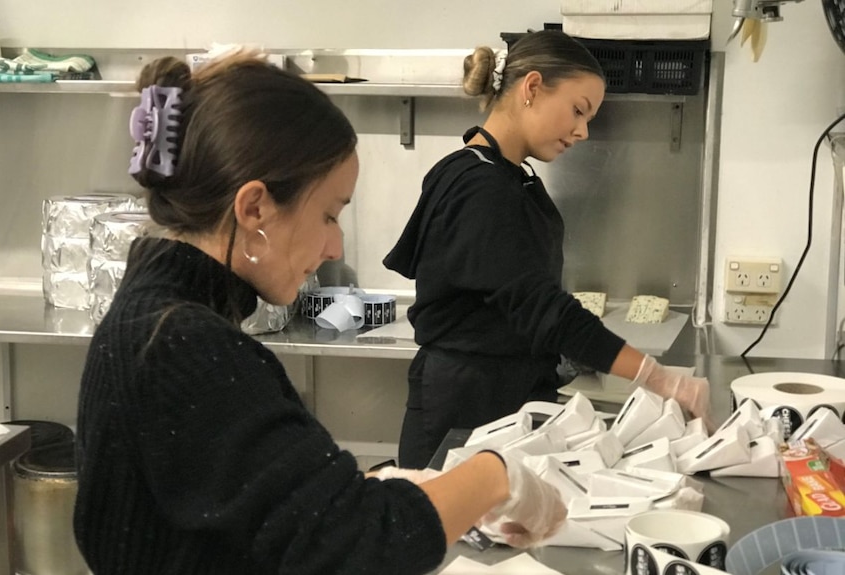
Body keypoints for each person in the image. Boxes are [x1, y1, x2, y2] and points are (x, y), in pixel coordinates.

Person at [73, 53, 569, 575]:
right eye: (329, 215)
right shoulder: (187, 344)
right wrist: (495, 475)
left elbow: (248, 508)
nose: (335, 247)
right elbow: (365, 546)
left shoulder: (156, 312)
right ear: (255, 208)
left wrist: (371, 488)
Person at [384, 30, 713, 469]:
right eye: (578, 111)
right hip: (468, 407)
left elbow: (516, 300)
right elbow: (539, 306)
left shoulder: (507, 175)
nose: (582, 131)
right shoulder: (480, 186)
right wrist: (660, 379)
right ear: (532, 88)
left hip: (501, 394)